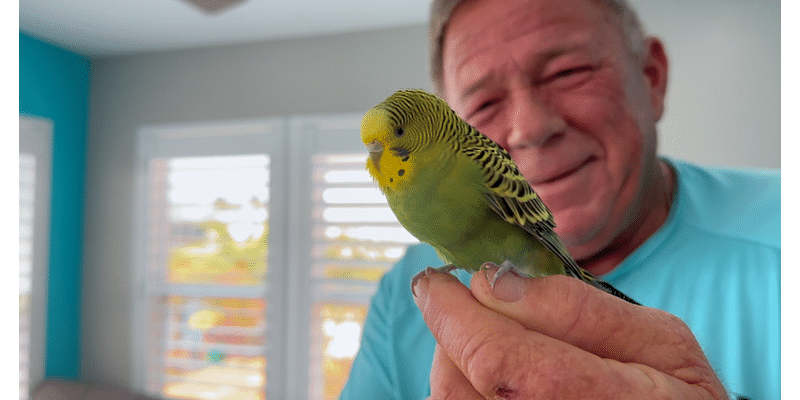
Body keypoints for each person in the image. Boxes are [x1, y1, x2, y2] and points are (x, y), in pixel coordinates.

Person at [340, 0, 780, 398]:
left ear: (652, 78)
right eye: (486, 102)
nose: (530, 129)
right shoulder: (407, 295)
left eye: (567, 73)